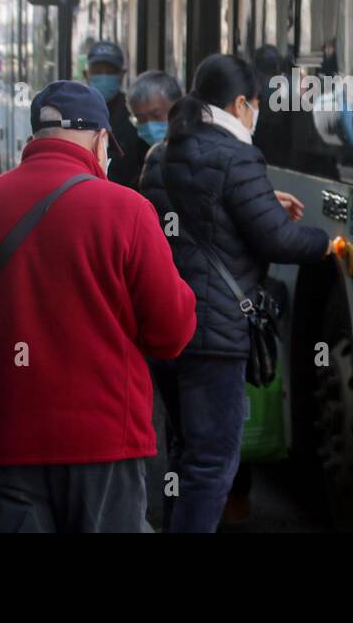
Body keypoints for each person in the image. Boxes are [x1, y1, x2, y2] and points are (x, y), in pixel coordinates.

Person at [0, 80, 196, 533]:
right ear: (99, 139)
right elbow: (171, 332)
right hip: (104, 441)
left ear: (35, 139)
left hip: (4, 436)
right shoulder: (126, 209)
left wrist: (0, 373)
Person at [140, 53, 331, 533]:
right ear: (241, 103)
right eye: (255, 106)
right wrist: (328, 243)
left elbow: (200, 218)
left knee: (184, 452)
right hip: (214, 330)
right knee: (214, 461)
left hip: (167, 323)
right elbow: (276, 239)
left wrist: (265, 199)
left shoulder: (161, 154)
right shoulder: (234, 153)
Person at [83, 40, 142, 189]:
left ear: (122, 75)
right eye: (97, 71)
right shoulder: (75, 112)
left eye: (110, 71)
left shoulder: (134, 113)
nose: (104, 76)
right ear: (86, 74)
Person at [126, 70, 183, 158]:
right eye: (141, 119)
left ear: (178, 107)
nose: (149, 125)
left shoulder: (197, 149)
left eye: (156, 115)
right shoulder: (136, 150)